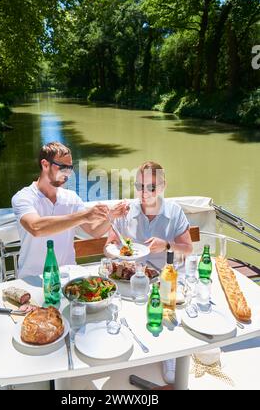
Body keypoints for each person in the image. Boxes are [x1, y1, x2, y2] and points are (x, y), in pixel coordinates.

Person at [106, 161, 193, 385]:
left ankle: (171, 352)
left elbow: (187, 249)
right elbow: (108, 247)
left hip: (166, 278)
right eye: (140, 186)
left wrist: (166, 245)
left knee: (168, 305)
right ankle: (126, 346)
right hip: (134, 277)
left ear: (163, 186)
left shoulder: (174, 211)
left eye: (152, 187)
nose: (145, 192)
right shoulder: (126, 211)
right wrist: (118, 250)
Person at [12, 141, 127, 278]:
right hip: (32, 279)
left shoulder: (71, 198)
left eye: (70, 168)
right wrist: (84, 216)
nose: (68, 173)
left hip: (68, 277)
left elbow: (94, 231)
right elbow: (36, 228)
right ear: (45, 164)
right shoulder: (23, 197)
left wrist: (111, 216)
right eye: (62, 167)